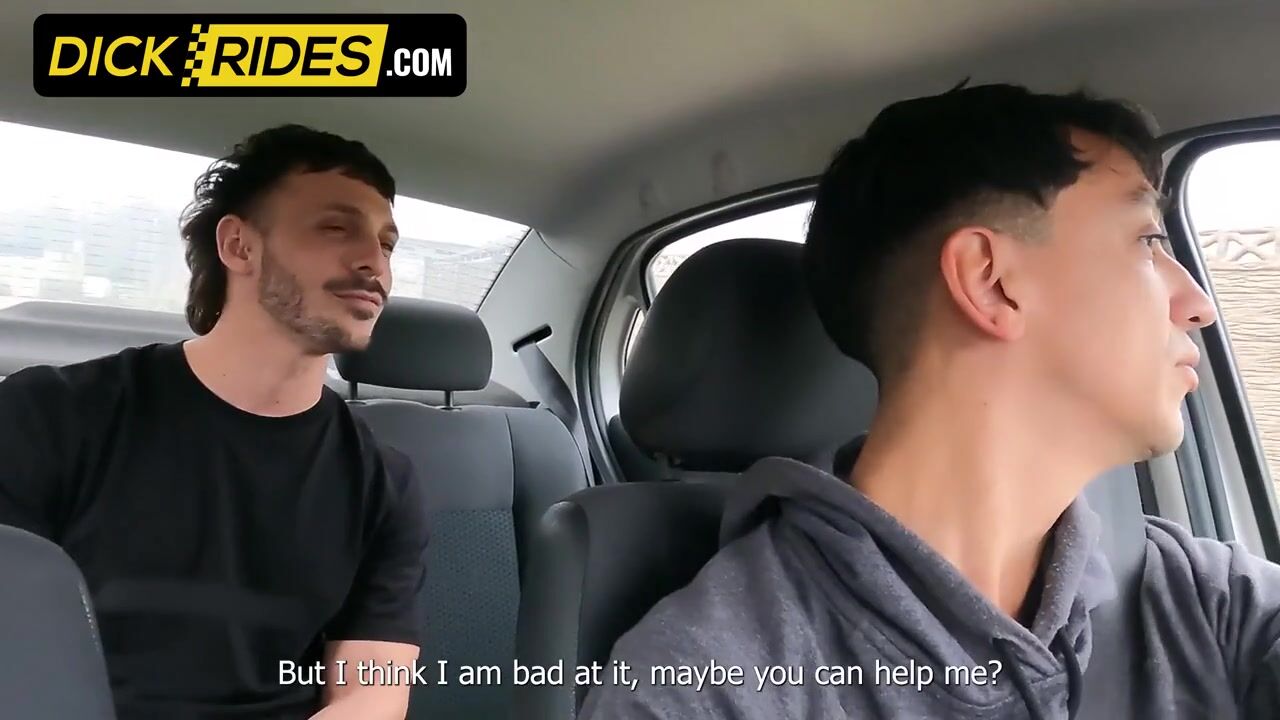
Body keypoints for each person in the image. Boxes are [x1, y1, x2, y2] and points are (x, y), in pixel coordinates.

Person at [581, 83, 1280, 719]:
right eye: (1148, 240)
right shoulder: (705, 692)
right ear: (990, 281)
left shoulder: (1204, 598)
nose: (1199, 305)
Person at [0, 125, 428, 719]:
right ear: (239, 246)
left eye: (386, 244)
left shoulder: (384, 482)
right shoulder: (51, 415)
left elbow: (373, 691)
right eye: (336, 228)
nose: (373, 262)